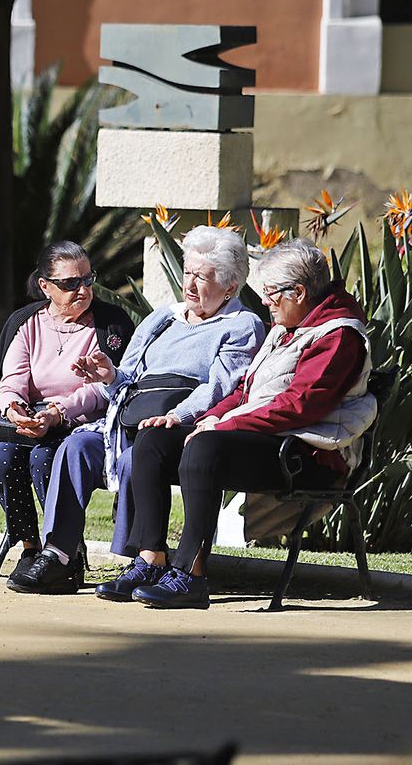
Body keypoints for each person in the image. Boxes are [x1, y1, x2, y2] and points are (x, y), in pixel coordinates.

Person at [106, 239, 376, 609]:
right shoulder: (288, 326)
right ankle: (151, 558)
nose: (264, 301)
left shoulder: (339, 335)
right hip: (266, 440)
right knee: (155, 438)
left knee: (206, 446)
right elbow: (246, 390)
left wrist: (223, 427)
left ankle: (190, 575)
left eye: (270, 294)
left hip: (306, 456)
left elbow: (299, 406)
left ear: (298, 292)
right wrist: (208, 417)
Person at [8, 225, 266, 595]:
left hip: (177, 427)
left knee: (137, 457)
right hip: (128, 418)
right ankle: (60, 556)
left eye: (203, 277)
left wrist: (177, 415)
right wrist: (108, 374)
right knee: (76, 448)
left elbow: (219, 387)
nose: (190, 285)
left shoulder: (241, 325)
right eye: (188, 272)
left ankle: (140, 561)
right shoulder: (164, 318)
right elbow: (126, 377)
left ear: (230, 286)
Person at [0, 242, 135, 581]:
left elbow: (106, 388)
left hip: (82, 425)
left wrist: (59, 412)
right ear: (45, 286)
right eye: (70, 283)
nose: (82, 290)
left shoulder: (111, 324)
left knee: (45, 459)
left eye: (88, 279)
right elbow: (11, 380)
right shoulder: (25, 323)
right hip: (33, 419)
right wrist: (13, 410)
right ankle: (29, 546)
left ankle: (65, 549)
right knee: (2, 459)